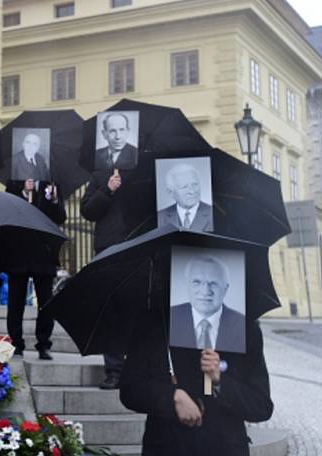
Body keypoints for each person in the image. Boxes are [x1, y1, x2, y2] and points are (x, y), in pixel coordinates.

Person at [120, 308, 272, 456]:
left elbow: (261, 405)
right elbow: (130, 388)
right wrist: (172, 397)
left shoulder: (245, 330)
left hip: (224, 446)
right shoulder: (155, 324)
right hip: (167, 445)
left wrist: (220, 382)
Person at [5, 179, 66, 360]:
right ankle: (15, 342)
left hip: (43, 252)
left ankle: (44, 344)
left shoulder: (51, 183)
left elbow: (60, 217)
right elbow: (8, 211)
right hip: (19, 251)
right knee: (15, 301)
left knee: (46, 302)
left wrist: (53, 200)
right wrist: (24, 193)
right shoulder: (14, 184)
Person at [81, 167, 129, 389]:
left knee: (136, 310)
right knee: (111, 311)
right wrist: (107, 189)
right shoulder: (100, 175)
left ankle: (136, 369)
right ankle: (114, 370)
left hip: (137, 244)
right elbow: (87, 211)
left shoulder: (144, 170)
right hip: (108, 248)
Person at [170, 255, 245, 352]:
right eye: (197, 282)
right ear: (187, 285)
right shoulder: (168, 317)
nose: (205, 291)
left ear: (225, 289)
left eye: (213, 283)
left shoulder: (244, 326)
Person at [157, 163, 214, 231]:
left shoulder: (213, 214)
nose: (192, 191)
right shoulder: (160, 217)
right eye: (184, 187)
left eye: (195, 184)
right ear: (170, 192)